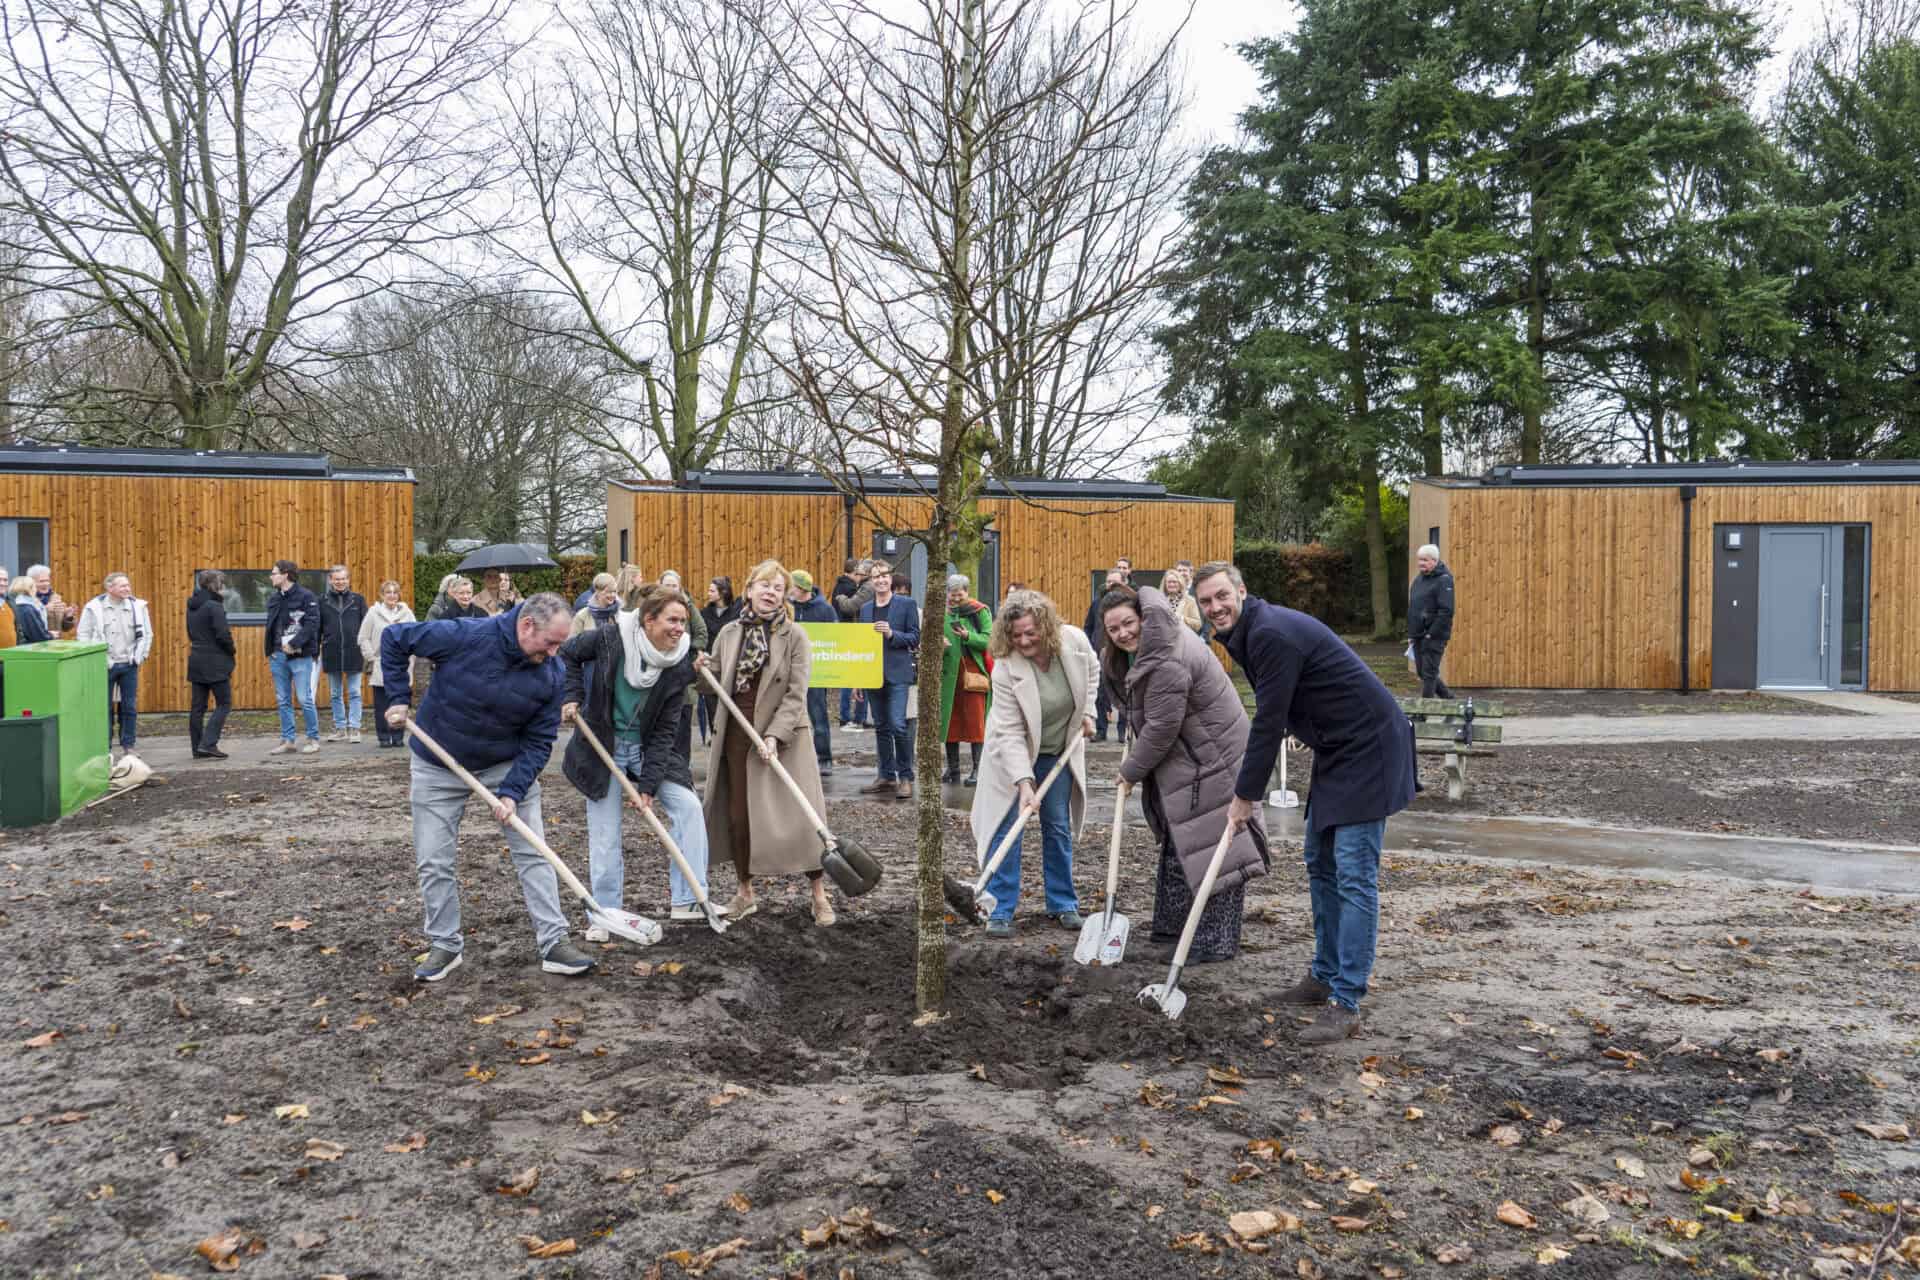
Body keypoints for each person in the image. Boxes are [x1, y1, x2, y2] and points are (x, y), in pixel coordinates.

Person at [1197, 560, 1416, 1045]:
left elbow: (1268, 720)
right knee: (1319, 862)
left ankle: (1346, 1000)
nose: (1215, 608)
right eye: (1206, 601)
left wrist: (1244, 798)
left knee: (1354, 872)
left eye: (1221, 596)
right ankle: (1323, 975)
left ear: (1242, 592)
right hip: (1337, 748)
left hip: (1370, 748)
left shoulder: (1269, 633)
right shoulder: (1252, 632)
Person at [381, 594, 594, 982]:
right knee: (434, 859)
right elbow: (395, 638)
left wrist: (513, 790)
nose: (555, 652)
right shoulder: (465, 635)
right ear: (527, 625)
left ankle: (554, 942)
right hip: (438, 762)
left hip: (505, 764)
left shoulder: (552, 673)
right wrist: (397, 698)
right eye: (551, 642)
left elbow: (539, 740)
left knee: (533, 852)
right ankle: (445, 944)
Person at [1102, 585, 1268, 965]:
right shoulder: (1149, 650)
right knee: (1182, 839)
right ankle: (1172, 929)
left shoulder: (1169, 658)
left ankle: (1214, 942)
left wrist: (1129, 771)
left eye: (1128, 623)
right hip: (1188, 757)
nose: (1123, 633)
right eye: (1114, 630)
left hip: (1212, 758)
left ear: (1144, 618)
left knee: (1218, 848)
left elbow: (1162, 726)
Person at [560, 582, 721, 934]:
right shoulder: (610, 639)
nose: (680, 629)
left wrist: (648, 784)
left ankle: (687, 899)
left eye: (683, 622)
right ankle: (605, 915)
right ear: (649, 620)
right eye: (673, 620)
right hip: (603, 745)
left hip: (648, 750)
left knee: (689, 808)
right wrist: (571, 696)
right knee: (605, 834)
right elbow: (569, 653)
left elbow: (666, 731)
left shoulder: (678, 666)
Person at [698, 560, 836, 926]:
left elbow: (796, 693)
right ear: (749, 589)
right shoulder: (729, 633)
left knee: (803, 818)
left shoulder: (795, 636)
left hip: (785, 738)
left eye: (778, 587)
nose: (771, 592)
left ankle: (819, 895)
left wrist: (775, 734)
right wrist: (699, 668)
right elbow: (711, 681)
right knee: (739, 817)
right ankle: (745, 893)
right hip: (737, 736)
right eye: (765, 585)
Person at [969, 590, 1095, 937]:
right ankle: (1000, 908)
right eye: (1016, 634)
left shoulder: (1075, 643)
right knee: (1008, 826)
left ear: (1047, 628)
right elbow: (1008, 731)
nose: (1023, 640)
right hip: (1013, 755)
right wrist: (1024, 783)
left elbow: (1093, 673)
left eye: (1031, 633)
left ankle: (1063, 903)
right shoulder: (1006, 667)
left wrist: (1088, 711)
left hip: (1058, 751)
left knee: (1057, 825)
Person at [859, 565, 920, 800]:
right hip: (873, 675)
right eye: (876, 577)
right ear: (871, 581)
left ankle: (905, 776)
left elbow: (915, 638)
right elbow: (861, 644)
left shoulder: (906, 605)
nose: (881, 580)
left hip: (897, 675)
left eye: (884, 575)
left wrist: (892, 634)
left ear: (890, 579)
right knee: (881, 727)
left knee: (897, 724)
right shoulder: (865, 609)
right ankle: (886, 776)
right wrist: (857, 680)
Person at [76, 572, 154, 755]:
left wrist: (141, 656)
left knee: (129, 706)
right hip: (105, 664)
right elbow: (83, 635)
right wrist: (93, 659)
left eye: (128, 585)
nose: (127, 588)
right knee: (104, 707)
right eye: (122, 586)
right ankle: (105, 747)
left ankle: (129, 745)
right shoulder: (94, 607)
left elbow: (147, 634)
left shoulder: (138, 606)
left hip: (129, 663)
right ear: (109, 588)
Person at [938, 573, 992, 785]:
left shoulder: (980, 611)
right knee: (950, 723)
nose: (955, 600)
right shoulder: (943, 613)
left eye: (959, 595)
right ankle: (953, 770)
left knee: (975, 724)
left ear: (967, 592)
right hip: (950, 676)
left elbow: (988, 640)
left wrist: (968, 636)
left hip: (973, 674)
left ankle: (978, 770)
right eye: (952, 596)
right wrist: (938, 644)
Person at [264, 560, 321, 755]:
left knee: (304, 698)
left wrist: (294, 644)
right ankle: (288, 741)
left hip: (300, 655)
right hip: (277, 656)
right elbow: (271, 627)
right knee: (282, 700)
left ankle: (313, 739)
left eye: (274, 573)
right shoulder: (273, 599)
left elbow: (312, 624)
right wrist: (271, 649)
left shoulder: (306, 596)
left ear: (286, 574)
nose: (271, 577)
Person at [788, 569, 838, 777]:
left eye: (792, 586)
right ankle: (791, 758)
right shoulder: (786, 608)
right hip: (789, 672)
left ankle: (824, 758)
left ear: (802, 589)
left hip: (816, 672)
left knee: (818, 715)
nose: (788, 590)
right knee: (788, 715)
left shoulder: (825, 610)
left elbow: (836, 638)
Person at [184, 570, 237, 759]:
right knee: (224, 702)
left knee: (198, 707)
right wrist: (232, 650)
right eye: (222, 583)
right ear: (215, 585)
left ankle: (197, 747)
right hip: (215, 660)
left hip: (197, 657)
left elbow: (190, 633)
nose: (223, 587)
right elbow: (223, 634)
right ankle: (208, 743)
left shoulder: (192, 606)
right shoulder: (214, 606)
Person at [358, 580, 417, 748]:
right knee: (382, 703)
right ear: (382, 595)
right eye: (388, 592)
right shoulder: (373, 613)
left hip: (401, 664)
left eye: (395, 592)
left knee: (399, 701)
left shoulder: (407, 614)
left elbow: (415, 634)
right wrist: (370, 656)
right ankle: (383, 736)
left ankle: (398, 736)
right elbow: (363, 637)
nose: (392, 596)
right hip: (380, 664)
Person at [658, 568, 708, 762]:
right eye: (667, 585)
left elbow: (701, 632)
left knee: (682, 725)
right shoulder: (653, 607)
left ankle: (682, 771)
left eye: (674, 585)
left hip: (683, 673)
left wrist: (688, 650)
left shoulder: (688, 607)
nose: (671, 589)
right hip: (659, 671)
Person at [318, 564, 368, 744]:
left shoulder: (358, 600)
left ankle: (354, 728)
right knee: (335, 693)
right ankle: (340, 729)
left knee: (355, 692)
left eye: (343, 578)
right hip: (331, 651)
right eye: (337, 579)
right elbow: (318, 628)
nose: (340, 582)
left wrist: (366, 648)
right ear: (331, 580)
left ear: (348, 580)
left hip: (354, 652)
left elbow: (366, 627)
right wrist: (316, 649)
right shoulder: (321, 600)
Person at [1082, 567, 1130, 741]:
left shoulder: (1128, 605)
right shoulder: (1096, 604)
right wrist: (1090, 645)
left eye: (1115, 582)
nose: (1111, 586)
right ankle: (1100, 731)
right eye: (1109, 582)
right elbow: (1088, 627)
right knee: (1100, 694)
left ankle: (1122, 732)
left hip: (1122, 655)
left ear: (1123, 583)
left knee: (1125, 693)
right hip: (1099, 654)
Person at [832, 559, 876, 731]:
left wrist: (841, 598)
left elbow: (849, 606)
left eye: (861, 570)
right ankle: (856, 717)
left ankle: (854, 717)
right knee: (855, 677)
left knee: (851, 676)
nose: (858, 573)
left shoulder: (863, 588)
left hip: (854, 634)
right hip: (855, 634)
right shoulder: (857, 587)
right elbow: (851, 608)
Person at [1408, 544, 1455, 698]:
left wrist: (1431, 634)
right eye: (1419, 560)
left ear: (1434, 561)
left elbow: (1446, 611)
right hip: (1418, 634)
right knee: (1423, 672)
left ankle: (1424, 712)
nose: (1421, 563)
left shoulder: (1444, 580)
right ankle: (1451, 701)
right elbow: (1414, 607)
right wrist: (1412, 634)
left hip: (1434, 635)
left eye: (1425, 560)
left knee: (1429, 673)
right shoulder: (1419, 580)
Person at [698, 576, 738, 746]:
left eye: (712, 590)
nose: (708, 593)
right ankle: (716, 739)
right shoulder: (704, 614)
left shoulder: (736, 614)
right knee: (711, 705)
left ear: (723, 593)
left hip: (731, 665)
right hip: (711, 667)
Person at [26, 565, 76, 634]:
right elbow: (27, 624)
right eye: (41, 581)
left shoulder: (56, 597)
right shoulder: (26, 599)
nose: (46, 584)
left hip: (55, 643)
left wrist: (68, 616)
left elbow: (64, 628)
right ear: (31, 583)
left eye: (47, 580)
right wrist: (44, 610)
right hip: (36, 643)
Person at [7, 575, 50, 644]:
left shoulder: (12, 604)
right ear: (29, 588)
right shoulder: (26, 608)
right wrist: (50, 635)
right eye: (34, 586)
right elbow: (37, 635)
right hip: (31, 649)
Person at [1163, 565, 1204, 634]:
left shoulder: (1189, 600)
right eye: (1169, 582)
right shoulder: (1161, 599)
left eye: (1174, 582)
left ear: (1180, 583)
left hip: (1183, 640)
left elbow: (1198, 624)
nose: (1172, 584)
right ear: (1165, 584)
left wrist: (1182, 618)